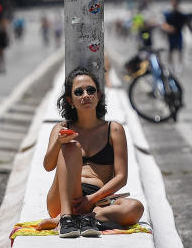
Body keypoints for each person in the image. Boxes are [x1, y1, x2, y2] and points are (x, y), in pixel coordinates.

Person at [39, 67, 144, 238]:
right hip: (62, 199)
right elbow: (48, 166)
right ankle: (66, 217)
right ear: (70, 100)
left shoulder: (114, 130)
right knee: (71, 147)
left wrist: (91, 199)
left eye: (91, 90)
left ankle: (78, 219)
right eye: (78, 92)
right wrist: (59, 142)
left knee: (135, 208)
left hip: (94, 200)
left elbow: (121, 177)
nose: (85, 95)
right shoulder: (62, 128)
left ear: (99, 95)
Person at [161, 0, 188, 73]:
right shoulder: (168, 14)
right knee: (170, 51)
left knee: (179, 50)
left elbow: (185, 24)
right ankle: (171, 66)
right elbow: (164, 24)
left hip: (178, 35)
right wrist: (168, 28)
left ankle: (179, 65)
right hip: (170, 35)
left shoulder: (181, 15)